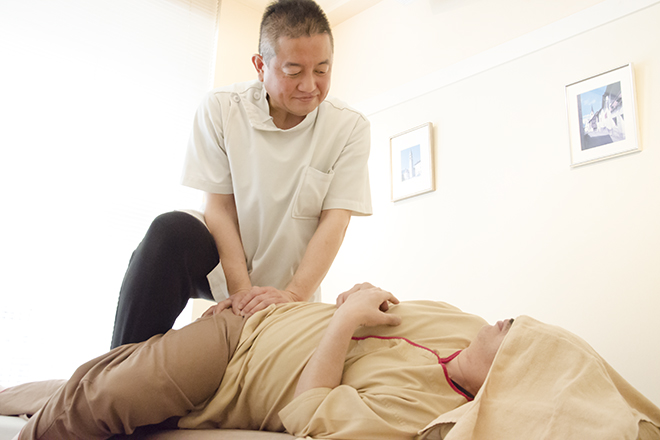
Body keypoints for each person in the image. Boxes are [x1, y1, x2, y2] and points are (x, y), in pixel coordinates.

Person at [110, 0, 372, 348]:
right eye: (294, 71)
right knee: (167, 233)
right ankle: (113, 373)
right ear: (261, 66)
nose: (310, 85)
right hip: (223, 262)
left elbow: (334, 221)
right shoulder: (221, 108)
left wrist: (293, 295)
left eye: (322, 70)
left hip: (292, 284)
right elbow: (219, 207)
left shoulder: (348, 127)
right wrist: (241, 294)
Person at [2, 283, 506, 440]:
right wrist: (354, 295)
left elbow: (308, 411)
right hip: (248, 323)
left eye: (520, 339)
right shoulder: (463, 320)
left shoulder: (423, 414)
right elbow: (360, 298)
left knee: (103, 393)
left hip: (231, 370)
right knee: (108, 376)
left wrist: (346, 320)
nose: (512, 323)